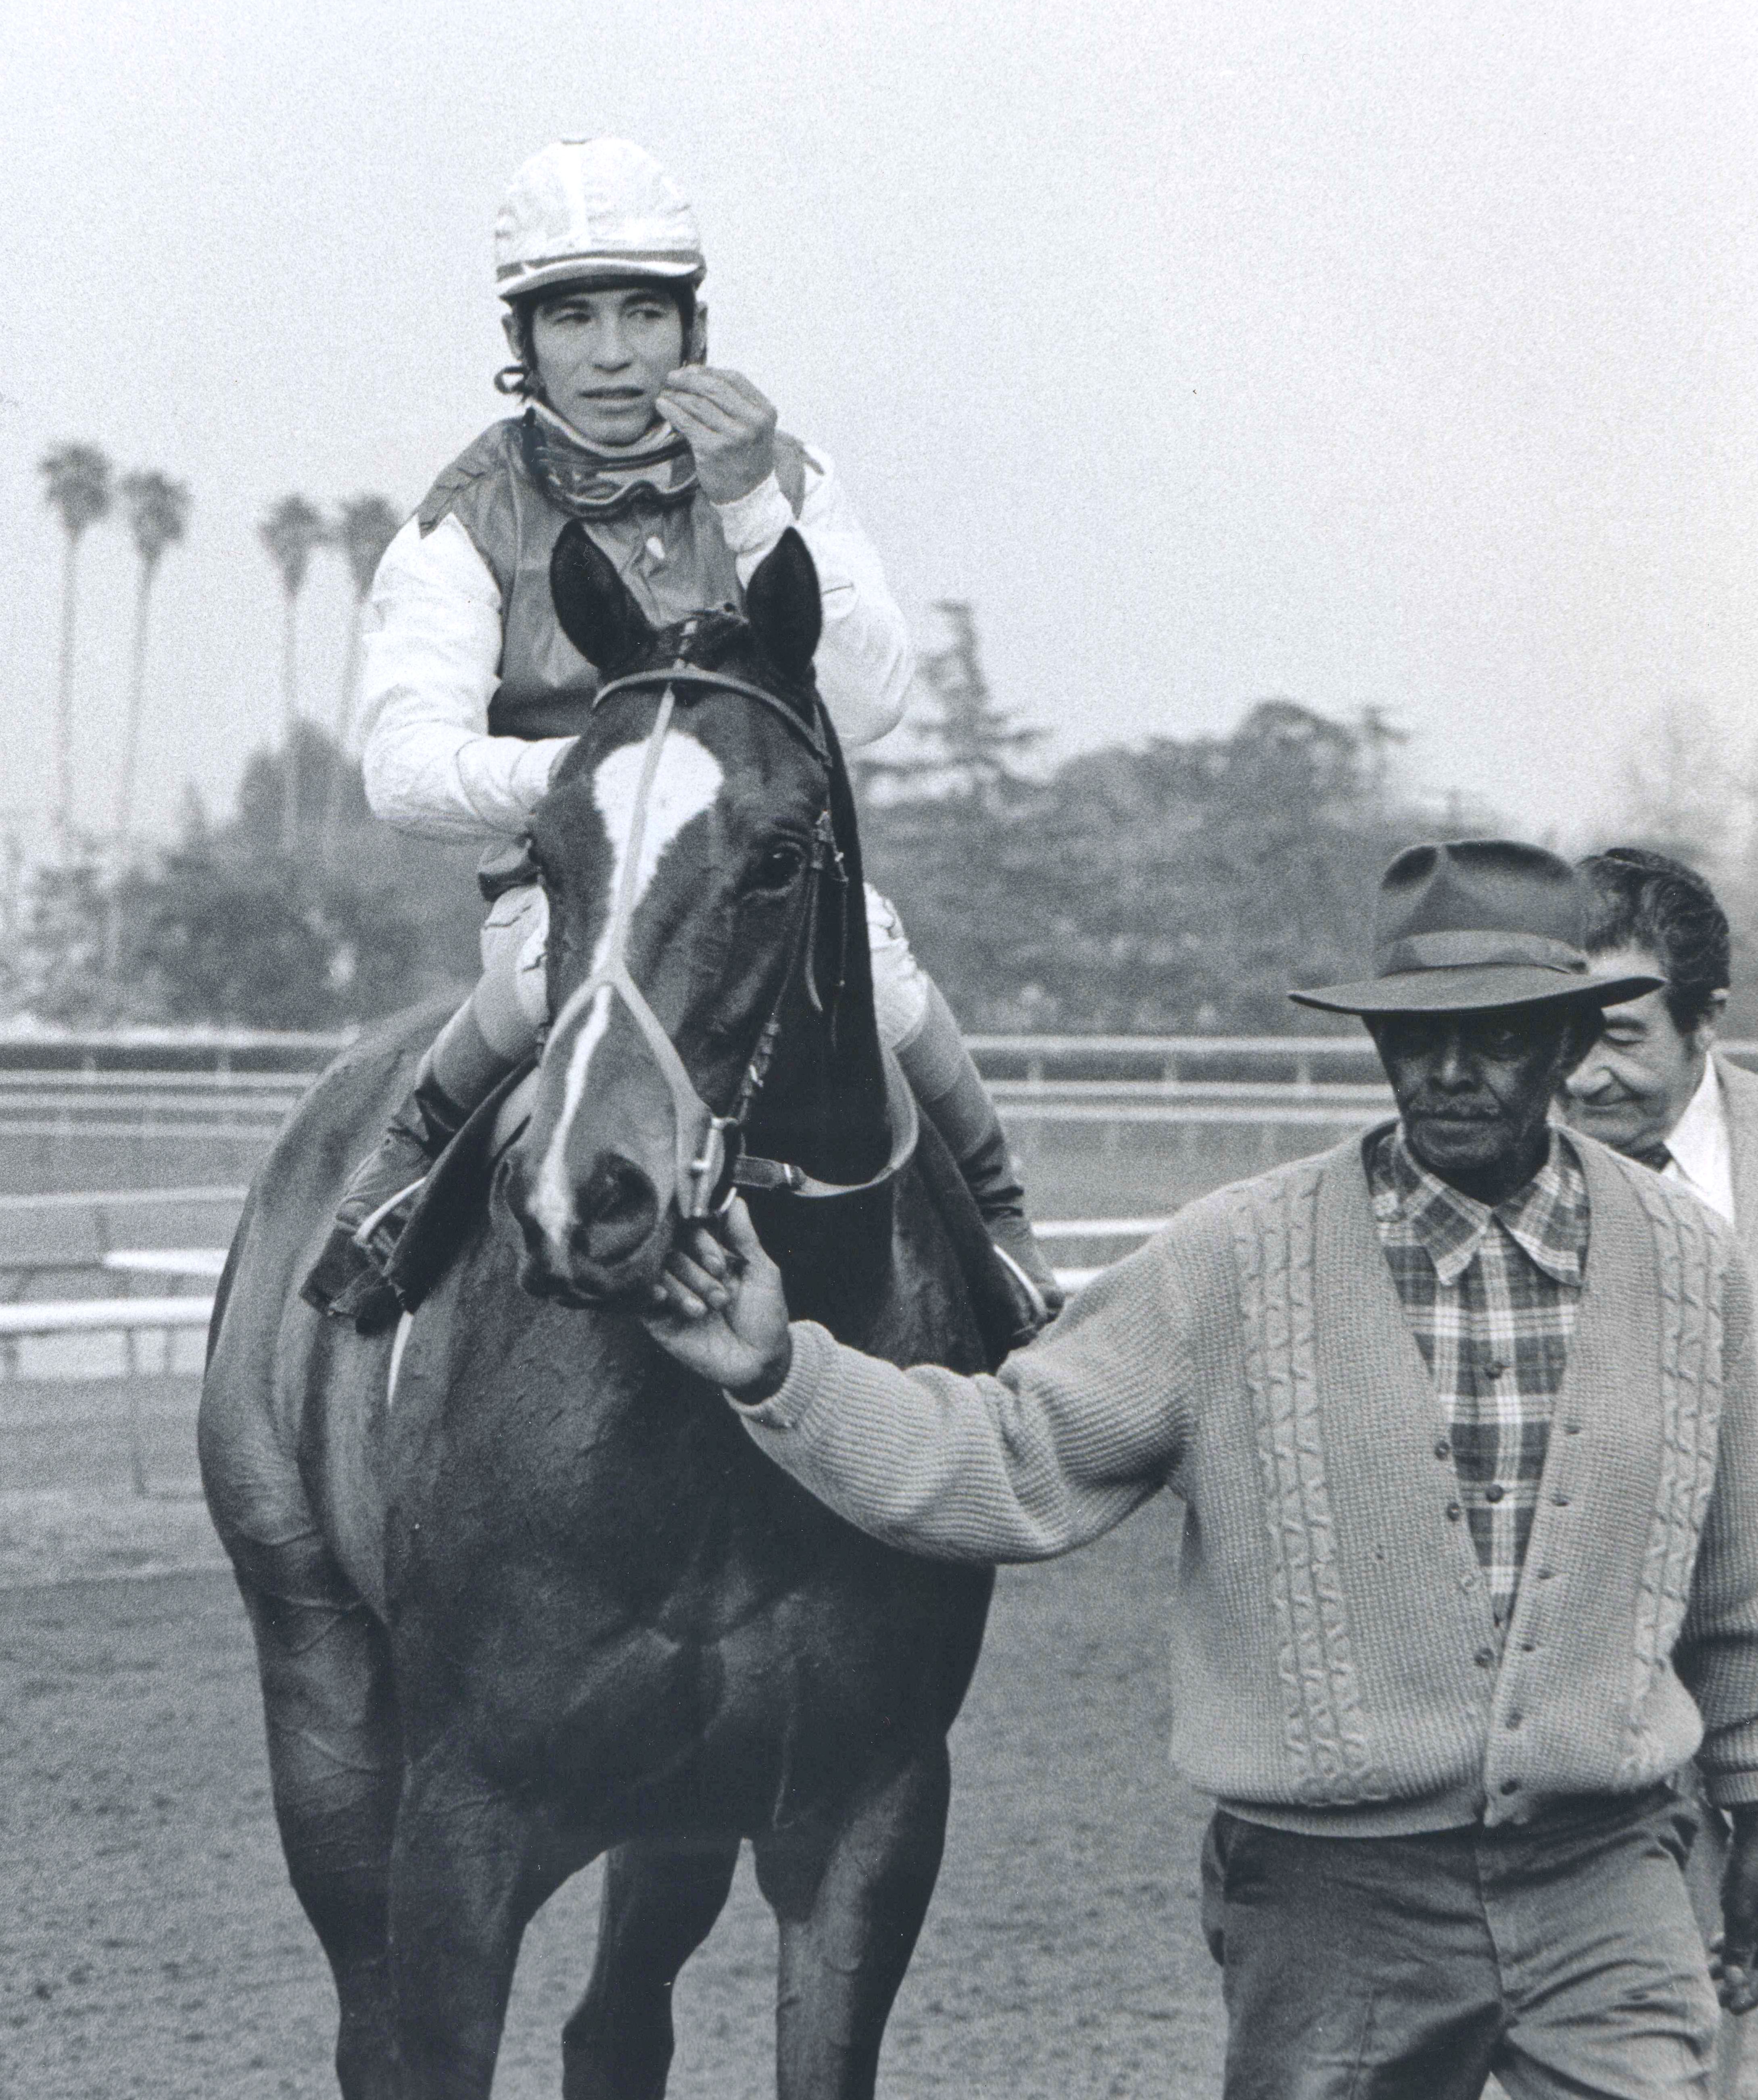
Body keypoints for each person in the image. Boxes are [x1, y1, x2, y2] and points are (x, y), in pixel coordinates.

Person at [645, 837, 1758, 2100]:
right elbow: (1011, 1454)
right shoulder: (1232, 1260)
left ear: (1565, 1042)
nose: (1449, 1070)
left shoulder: (1692, 1264)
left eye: (1496, 1033)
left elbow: (1734, 1581)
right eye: (1415, 1035)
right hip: (1336, 1903)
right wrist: (775, 1370)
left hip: (1609, 1876)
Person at [303, 137, 1060, 1335]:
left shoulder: (788, 478)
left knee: (888, 987)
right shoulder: (462, 520)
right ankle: (399, 1171)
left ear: (692, 331)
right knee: (531, 974)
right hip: (575, 886)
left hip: (765, 885)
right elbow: (402, 772)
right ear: (525, 344)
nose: (612, 354)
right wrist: (622, 787)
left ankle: (1002, 1229)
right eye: (575, 319)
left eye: (644, 314)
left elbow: (870, 703)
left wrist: (753, 499)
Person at [1563, 845, 1758, 2098]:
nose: (1580, 1070)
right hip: (1591, 1707)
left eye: (1622, 1031)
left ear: (1706, 1020)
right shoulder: (1486, 1167)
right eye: (1559, 1028)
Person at [1566, 846, 1758, 1264]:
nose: (1578, 1080)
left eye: (1619, 1036)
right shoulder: (1494, 1153)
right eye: (1561, 1039)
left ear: (1704, 1019)